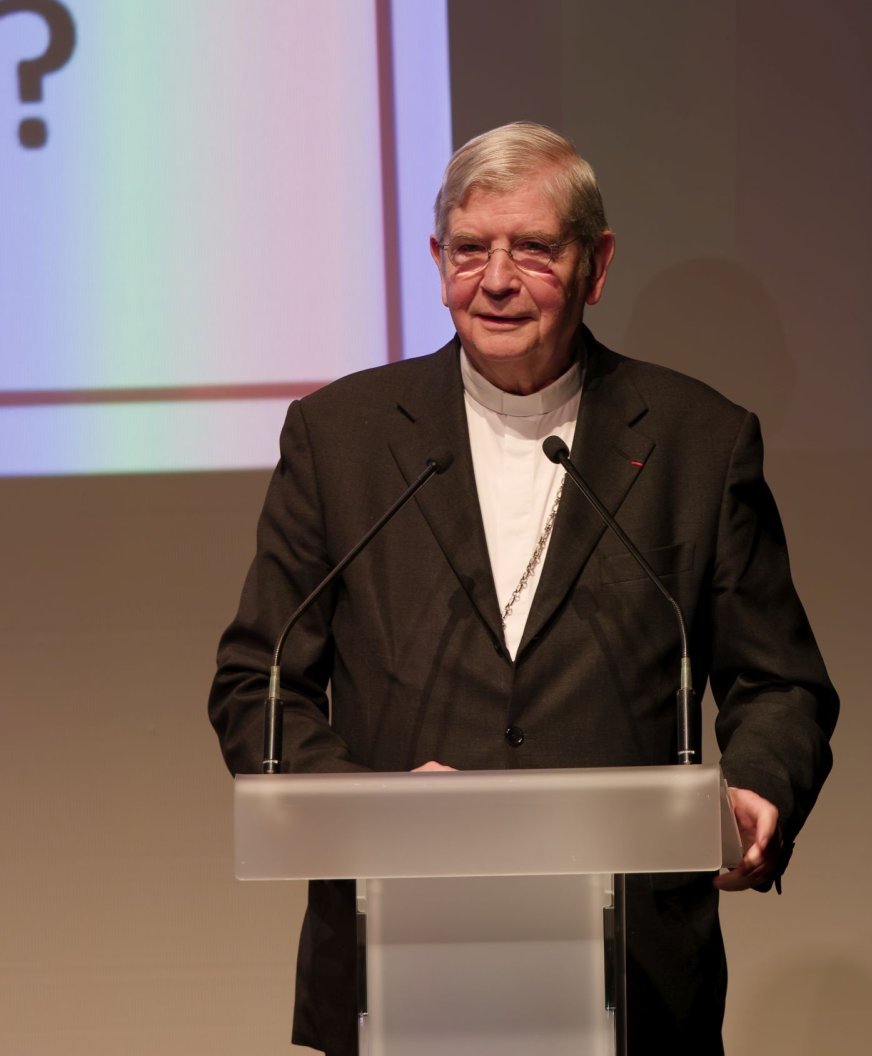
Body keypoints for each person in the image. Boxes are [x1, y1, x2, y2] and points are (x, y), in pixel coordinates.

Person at [209, 122, 838, 1055]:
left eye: (533, 249)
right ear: (436, 259)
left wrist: (755, 783)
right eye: (470, 249)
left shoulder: (697, 441)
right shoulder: (337, 438)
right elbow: (257, 687)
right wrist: (371, 808)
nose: (495, 280)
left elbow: (779, 683)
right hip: (396, 958)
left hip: (636, 973)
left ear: (597, 262)